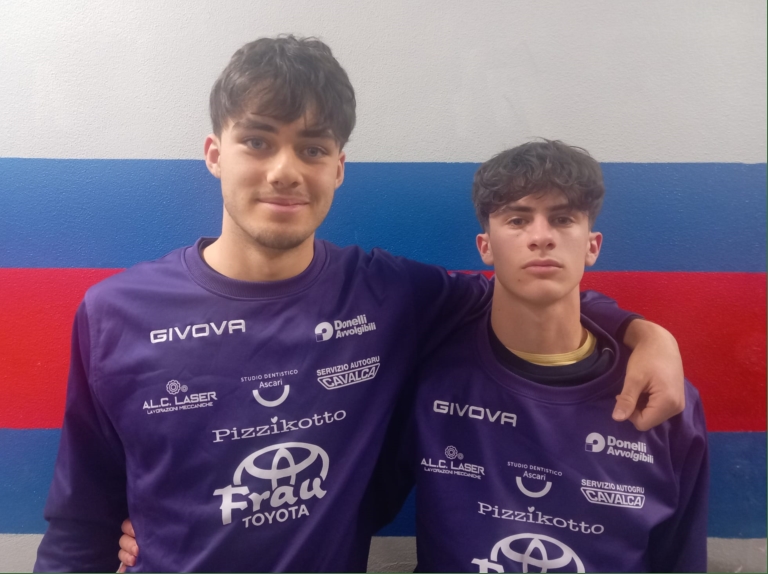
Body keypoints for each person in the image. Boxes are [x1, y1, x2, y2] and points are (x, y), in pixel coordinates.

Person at [35, 36, 685, 573]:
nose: (285, 170)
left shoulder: (388, 294)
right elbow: (79, 521)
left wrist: (643, 333)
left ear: (338, 168)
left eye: (312, 148)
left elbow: (526, 288)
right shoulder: (116, 313)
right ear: (214, 154)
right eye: (258, 141)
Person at [407, 140, 708, 572]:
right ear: (485, 246)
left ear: (592, 246)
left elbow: (680, 556)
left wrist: (650, 335)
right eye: (517, 219)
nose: (541, 237)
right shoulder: (430, 377)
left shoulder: (661, 396)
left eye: (563, 219)